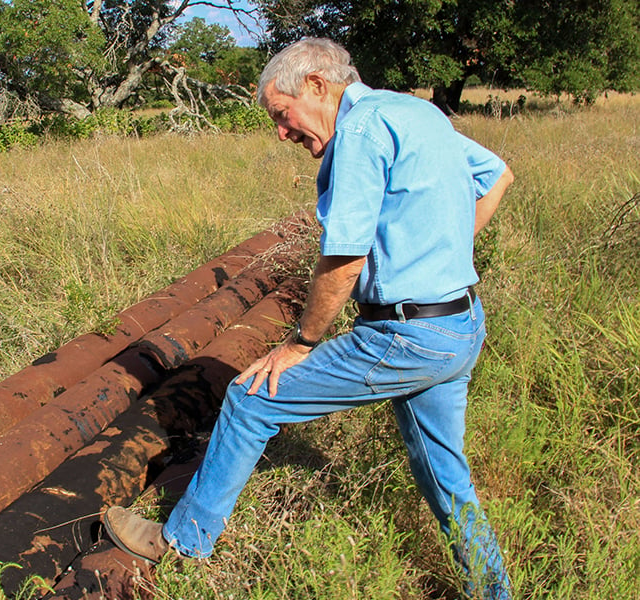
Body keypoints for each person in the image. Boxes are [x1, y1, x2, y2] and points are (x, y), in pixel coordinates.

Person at [103, 37, 514, 598]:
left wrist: (302, 341)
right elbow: (496, 175)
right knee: (447, 477)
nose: (281, 131)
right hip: (460, 325)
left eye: (282, 114)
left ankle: (184, 540)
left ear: (317, 86)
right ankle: (493, 590)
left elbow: (344, 258)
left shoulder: (361, 133)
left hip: (407, 336)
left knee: (252, 399)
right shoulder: (416, 112)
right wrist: (438, 252)